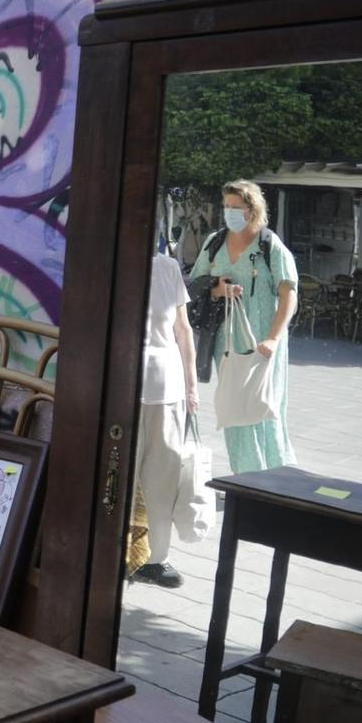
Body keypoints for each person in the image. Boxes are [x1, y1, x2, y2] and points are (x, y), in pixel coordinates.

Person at [190, 179, 299, 473]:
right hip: (226, 342)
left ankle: (276, 475)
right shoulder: (215, 242)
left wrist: (274, 339)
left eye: (235, 207)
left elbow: (289, 293)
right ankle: (247, 477)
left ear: (252, 209)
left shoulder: (270, 246)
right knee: (234, 411)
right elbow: (195, 284)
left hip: (263, 342)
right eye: (226, 206)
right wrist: (217, 289)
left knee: (265, 408)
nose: (229, 212)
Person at [132, 250, 200, 587]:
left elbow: (183, 330)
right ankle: (119, 552)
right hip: (123, 387)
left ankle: (156, 558)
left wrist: (192, 384)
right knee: (120, 477)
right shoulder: (108, 259)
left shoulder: (166, 267)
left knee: (161, 478)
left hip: (167, 387)